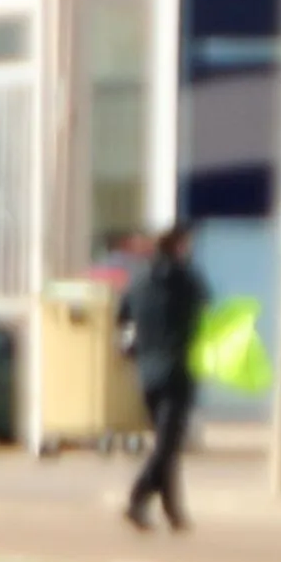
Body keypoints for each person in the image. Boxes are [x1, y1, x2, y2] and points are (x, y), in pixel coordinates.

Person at [118, 226, 207, 533]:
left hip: (146, 372)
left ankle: (173, 511)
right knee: (167, 446)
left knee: (166, 443)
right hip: (176, 371)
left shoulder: (139, 280)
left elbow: (123, 316)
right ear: (178, 246)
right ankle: (137, 497)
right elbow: (204, 307)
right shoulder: (185, 279)